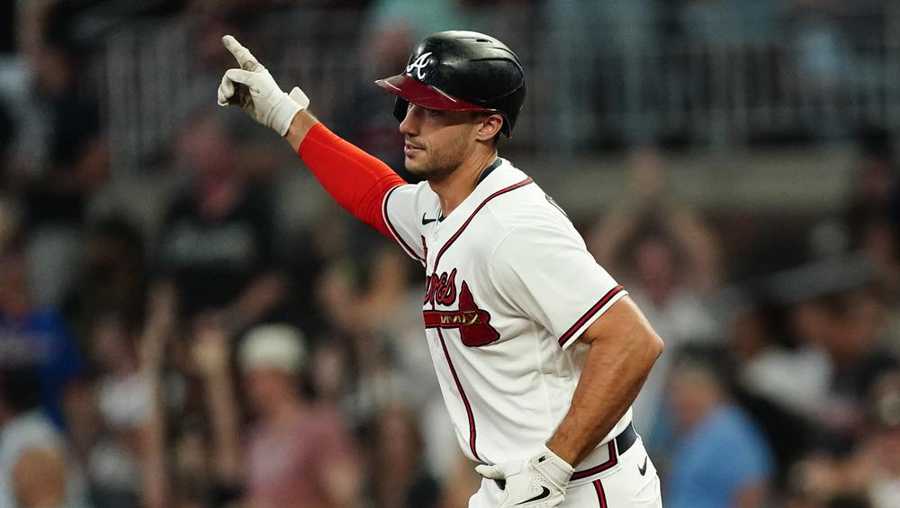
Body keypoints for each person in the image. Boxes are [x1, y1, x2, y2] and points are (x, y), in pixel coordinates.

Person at [216, 30, 665, 507]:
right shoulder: (443, 204)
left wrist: (554, 463)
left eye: (432, 110)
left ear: (487, 125)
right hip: (520, 483)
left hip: (580, 485)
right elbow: (375, 195)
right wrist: (285, 115)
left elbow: (633, 341)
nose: (409, 124)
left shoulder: (514, 228)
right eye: (408, 106)